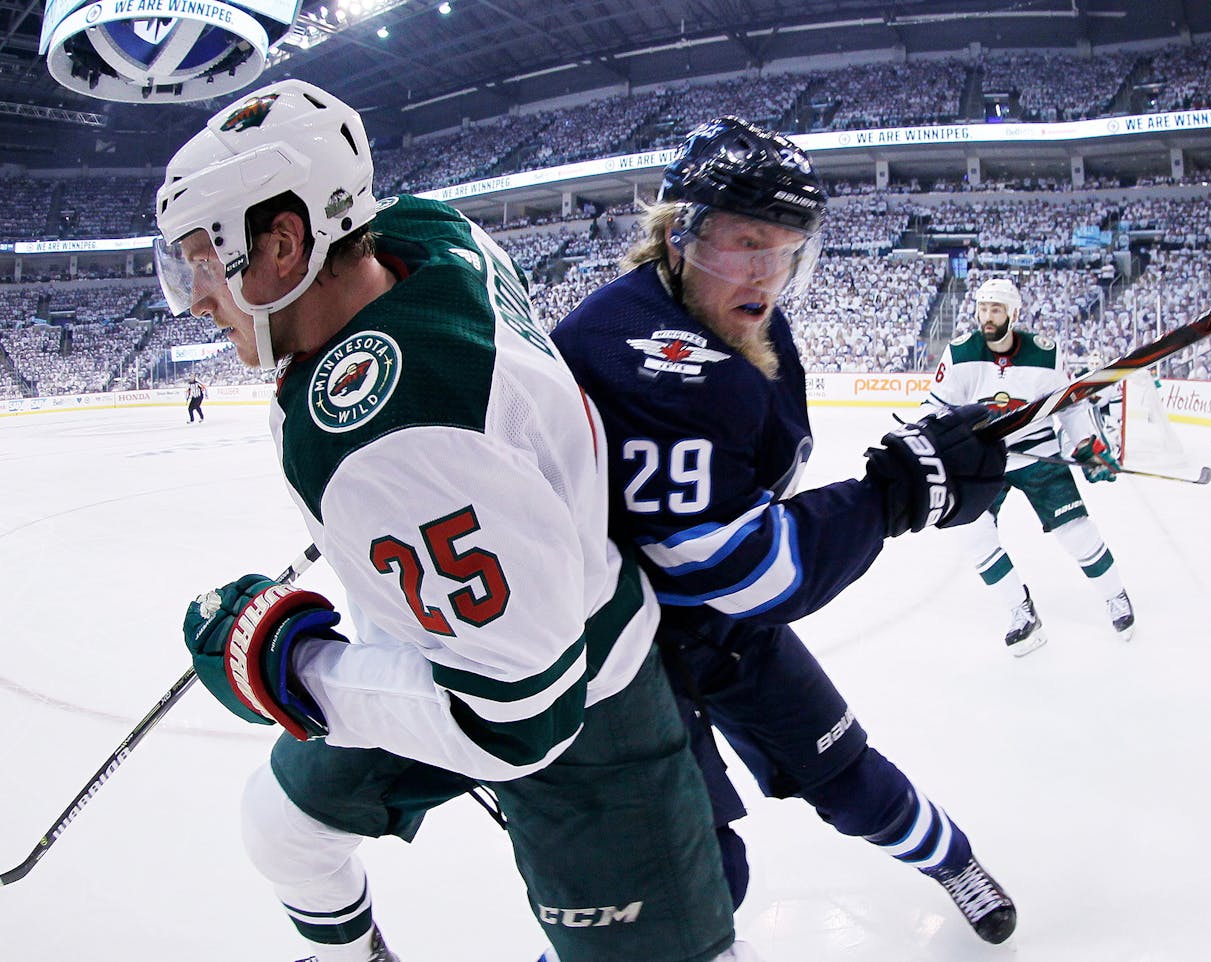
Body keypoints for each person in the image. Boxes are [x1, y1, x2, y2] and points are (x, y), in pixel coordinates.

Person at [155, 79, 746, 962]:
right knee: (282, 826)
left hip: (580, 702)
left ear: (284, 244)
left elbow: (521, 723)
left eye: (206, 260)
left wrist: (285, 661)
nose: (197, 296)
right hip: (479, 635)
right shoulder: (430, 232)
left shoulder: (389, 432)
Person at [551, 116, 1017, 945]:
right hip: (621, 654)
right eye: (743, 240)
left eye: (784, 247)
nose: (765, 271)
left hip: (711, 627)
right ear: (677, 232)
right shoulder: (638, 354)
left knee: (847, 776)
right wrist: (899, 492)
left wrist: (912, 465)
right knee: (687, 870)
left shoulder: (745, 319)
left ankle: (952, 861)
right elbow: (743, 569)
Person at [922, 277, 1134, 656]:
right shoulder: (959, 352)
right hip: (986, 458)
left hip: (1038, 452)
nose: (987, 317)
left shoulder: (1045, 354)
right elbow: (934, 408)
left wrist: (1086, 444)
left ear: (1014, 314)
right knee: (972, 531)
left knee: (1076, 531)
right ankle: (1021, 611)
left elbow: (1070, 404)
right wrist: (931, 443)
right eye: (983, 309)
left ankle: (1115, 594)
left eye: (996, 310)